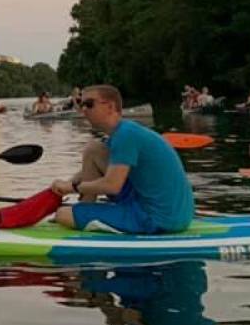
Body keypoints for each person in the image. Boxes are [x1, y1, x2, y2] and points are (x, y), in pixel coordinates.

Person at [50, 84, 193, 234]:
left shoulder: (126, 135)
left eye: (89, 104)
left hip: (157, 219)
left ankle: (79, 215)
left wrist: (72, 188)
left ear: (110, 107)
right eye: (81, 104)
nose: (83, 109)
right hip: (175, 214)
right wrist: (64, 186)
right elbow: (91, 169)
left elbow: (112, 185)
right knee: (93, 151)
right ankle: (84, 209)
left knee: (62, 214)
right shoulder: (122, 132)